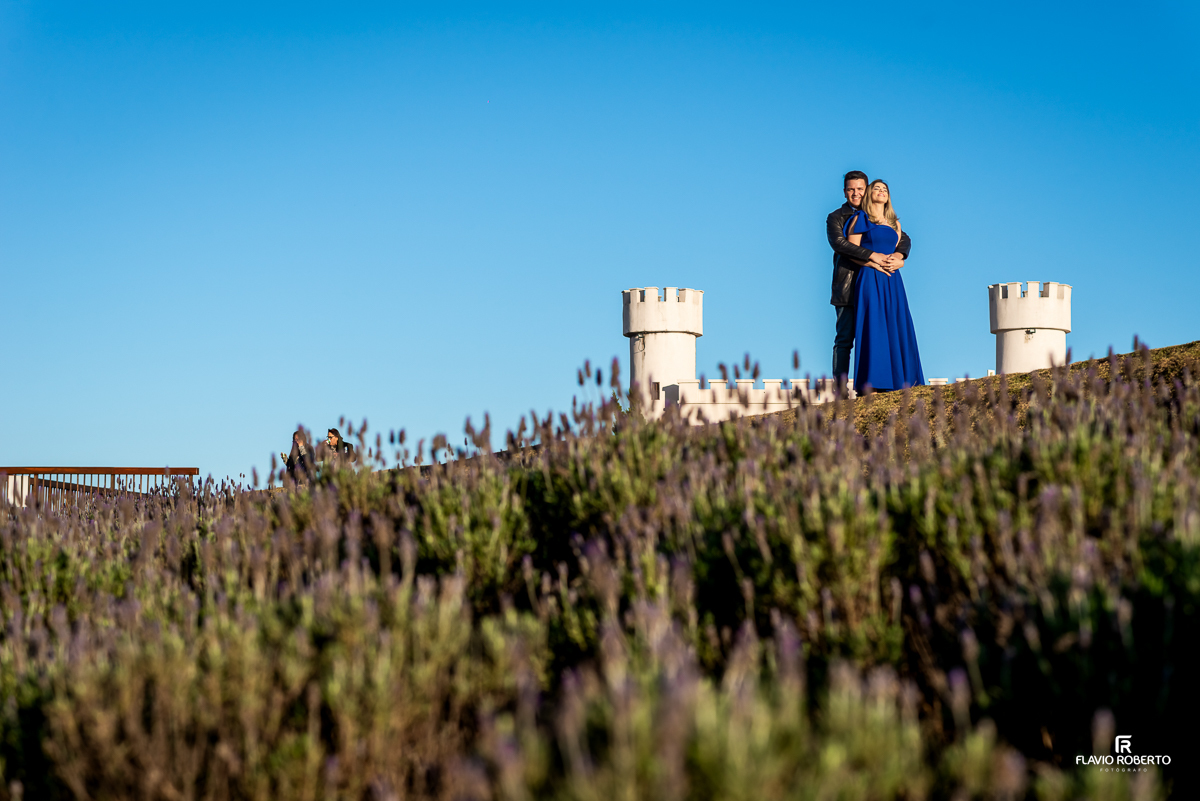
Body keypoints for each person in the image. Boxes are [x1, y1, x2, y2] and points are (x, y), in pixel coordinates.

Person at [826, 171, 912, 381]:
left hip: (878, 283)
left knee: (879, 332)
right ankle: (840, 390)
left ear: (866, 190)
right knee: (845, 339)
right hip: (848, 285)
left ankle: (880, 379)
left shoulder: (879, 216)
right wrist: (873, 256)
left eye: (860, 189)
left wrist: (901, 257)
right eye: (851, 189)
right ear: (845, 191)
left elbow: (903, 239)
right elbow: (840, 244)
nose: (855, 193)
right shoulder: (836, 217)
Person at [842, 179, 924, 393]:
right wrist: (873, 262)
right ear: (869, 194)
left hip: (892, 279)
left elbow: (899, 247)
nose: (881, 192)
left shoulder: (895, 223)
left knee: (897, 323)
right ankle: (874, 382)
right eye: (876, 188)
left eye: (885, 189)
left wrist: (900, 259)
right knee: (873, 324)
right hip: (870, 276)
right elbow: (852, 249)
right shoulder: (860, 218)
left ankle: (903, 380)